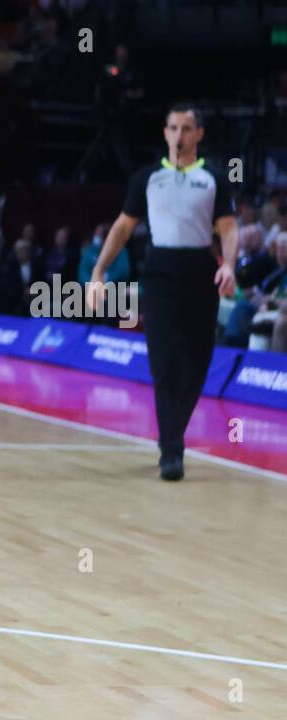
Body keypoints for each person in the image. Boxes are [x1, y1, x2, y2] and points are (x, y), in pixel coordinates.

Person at [89, 104, 237, 480]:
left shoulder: (215, 178)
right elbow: (123, 228)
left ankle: (172, 435)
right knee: (164, 362)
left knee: (197, 364)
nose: (179, 135)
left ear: (199, 135)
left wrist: (229, 264)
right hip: (159, 274)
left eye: (187, 128)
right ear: (165, 133)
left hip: (200, 272)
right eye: (173, 128)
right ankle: (172, 449)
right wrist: (98, 270)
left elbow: (229, 227)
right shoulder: (147, 177)